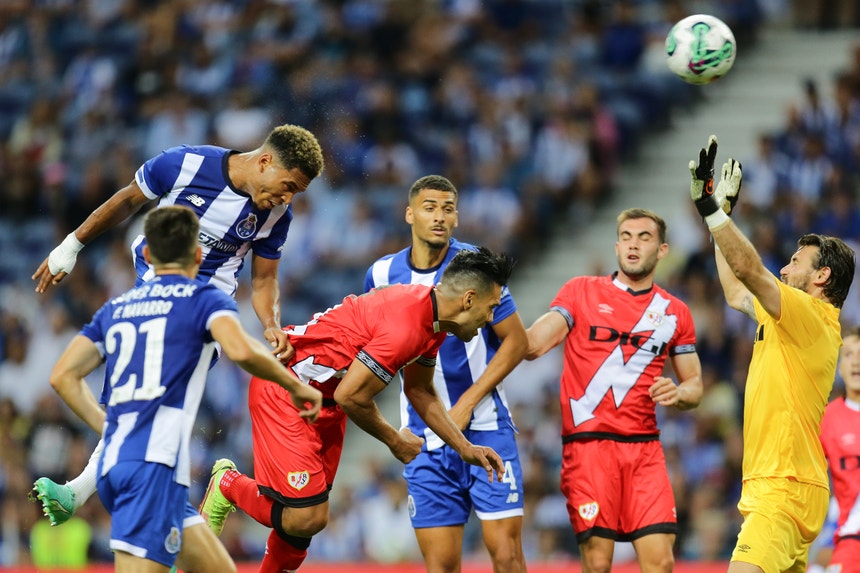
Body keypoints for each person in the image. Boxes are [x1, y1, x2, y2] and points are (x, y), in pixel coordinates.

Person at [30, 123, 324, 525]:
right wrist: (72, 244)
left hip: (207, 309)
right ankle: (146, 493)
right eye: (288, 185)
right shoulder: (186, 164)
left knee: (145, 402)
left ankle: (93, 490)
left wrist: (271, 323)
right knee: (138, 407)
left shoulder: (275, 215)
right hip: (152, 290)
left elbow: (264, 279)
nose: (287, 198)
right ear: (265, 161)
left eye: (296, 193)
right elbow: (127, 199)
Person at [198, 246, 512, 573]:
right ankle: (227, 484)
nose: (491, 319)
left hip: (325, 402)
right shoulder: (406, 325)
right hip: (287, 391)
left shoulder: (431, 320)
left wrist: (464, 447)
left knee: (299, 530)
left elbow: (419, 389)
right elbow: (352, 396)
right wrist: (395, 441)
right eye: (491, 307)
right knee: (307, 517)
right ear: (469, 299)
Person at [45, 205, 323, 572]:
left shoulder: (117, 308)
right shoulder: (204, 300)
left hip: (130, 469)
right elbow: (241, 349)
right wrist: (293, 385)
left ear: (146, 255)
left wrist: (111, 431)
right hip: (151, 470)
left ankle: (81, 488)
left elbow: (62, 377)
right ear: (198, 257)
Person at [688, 134, 856, 573]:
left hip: (783, 487)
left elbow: (749, 268)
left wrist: (710, 209)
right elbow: (734, 290)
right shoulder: (788, 317)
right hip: (785, 485)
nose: (784, 268)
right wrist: (721, 218)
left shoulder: (811, 314)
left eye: (796, 262)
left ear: (822, 276)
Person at [525, 207, 704, 573]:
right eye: (626, 237)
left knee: (662, 562)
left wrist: (679, 393)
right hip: (589, 447)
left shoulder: (675, 312)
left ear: (663, 250)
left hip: (645, 450)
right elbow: (532, 345)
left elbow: (695, 386)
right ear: (617, 246)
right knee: (598, 563)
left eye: (644, 238)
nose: (633, 245)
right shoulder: (580, 291)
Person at [364, 175, 528, 573]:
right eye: (430, 208)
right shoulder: (381, 275)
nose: (439, 217)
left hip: (485, 425)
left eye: (448, 209)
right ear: (410, 214)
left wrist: (467, 403)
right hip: (424, 436)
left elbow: (516, 341)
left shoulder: (475, 265)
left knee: (506, 554)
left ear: (457, 218)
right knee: (441, 565)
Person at [819, 325, 860, 573]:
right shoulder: (827, 419)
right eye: (849, 355)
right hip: (851, 538)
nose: (856, 362)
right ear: (840, 367)